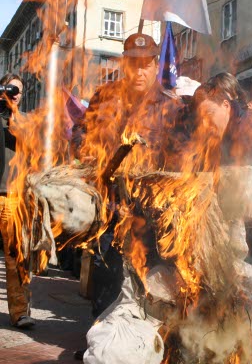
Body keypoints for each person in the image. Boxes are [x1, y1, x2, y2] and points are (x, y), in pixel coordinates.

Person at [72, 33, 184, 360]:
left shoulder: (170, 106)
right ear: (124, 64)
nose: (139, 73)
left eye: (146, 65)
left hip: (149, 213)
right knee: (106, 281)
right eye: (133, 65)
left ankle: (145, 350)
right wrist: (89, 154)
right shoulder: (104, 98)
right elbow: (80, 134)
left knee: (149, 286)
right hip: (109, 208)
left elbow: (180, 155)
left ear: (155, 66)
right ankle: (101, 348)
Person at [0, 73, 35, 329]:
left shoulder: (23, 121)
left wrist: (11, 111)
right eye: (9, 89)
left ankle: (20, 312)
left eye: (17, 90)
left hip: (12, 198)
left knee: (15, 258)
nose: (13, 94)